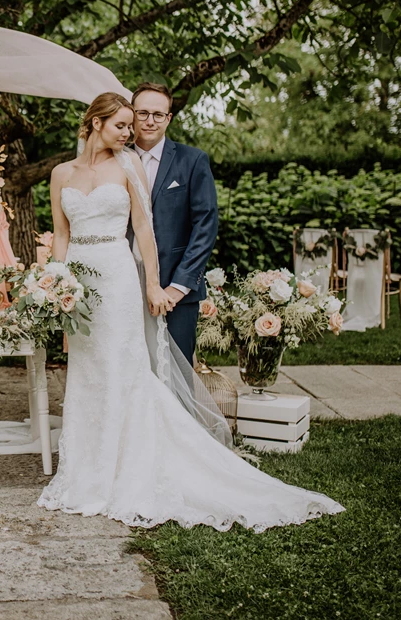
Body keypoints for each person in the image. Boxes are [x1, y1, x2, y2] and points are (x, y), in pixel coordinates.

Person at [39, 91, 343, 531]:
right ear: (96, 122)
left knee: (124, 367)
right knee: (87, 369)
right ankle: (86, 467)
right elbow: (61, 234)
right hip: (79, 284)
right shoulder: (60, 173)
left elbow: (143, 231)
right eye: (123, 124)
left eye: (135, 123)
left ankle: (129, 465)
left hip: (119, 278)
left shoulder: (126, 168)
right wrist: (55, 283)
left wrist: (152, 285)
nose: (131, 132)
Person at [130, 82, 217, 367]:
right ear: (131, 114)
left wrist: (179, 286)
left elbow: (205, 226)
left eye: (158, 114)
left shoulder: (192, 161)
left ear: (169, 118)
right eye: (142, 113)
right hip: (125, 284)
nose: (150, 121)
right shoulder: (115, 160)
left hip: (176, 289)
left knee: (177, 374)